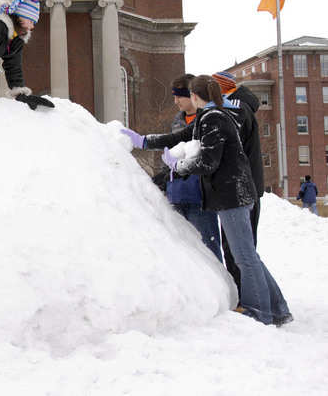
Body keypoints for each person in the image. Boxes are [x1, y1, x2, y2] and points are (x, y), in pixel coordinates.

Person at [122, 76, 292, 326]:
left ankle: (260, 312)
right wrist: (145, 141)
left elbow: (208, 162)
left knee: (243, 256)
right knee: (246, 254)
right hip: (231, 193)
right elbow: (179, 136)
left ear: (195, 96)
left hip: (232, 195)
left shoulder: (214, 119)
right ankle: (277, 308)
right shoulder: (209, 116)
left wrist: (177, 166)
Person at [212, 70, 265, 296]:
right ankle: (256, 299)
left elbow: (227, 152)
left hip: (240, 190)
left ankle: (253, 300)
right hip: (245, 188)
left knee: (241, 252)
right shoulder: (238, 107)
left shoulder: (236, 110)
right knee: (242, 250)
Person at [159, 74, 222, 261]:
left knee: (209, 253)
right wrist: (164, 176)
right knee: (184, 257)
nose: (175, 101)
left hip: (200, 199)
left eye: (180, 96)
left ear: (193, 95)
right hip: (177, 196)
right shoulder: (177, 122)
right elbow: (173, 154)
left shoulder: (209, 120)